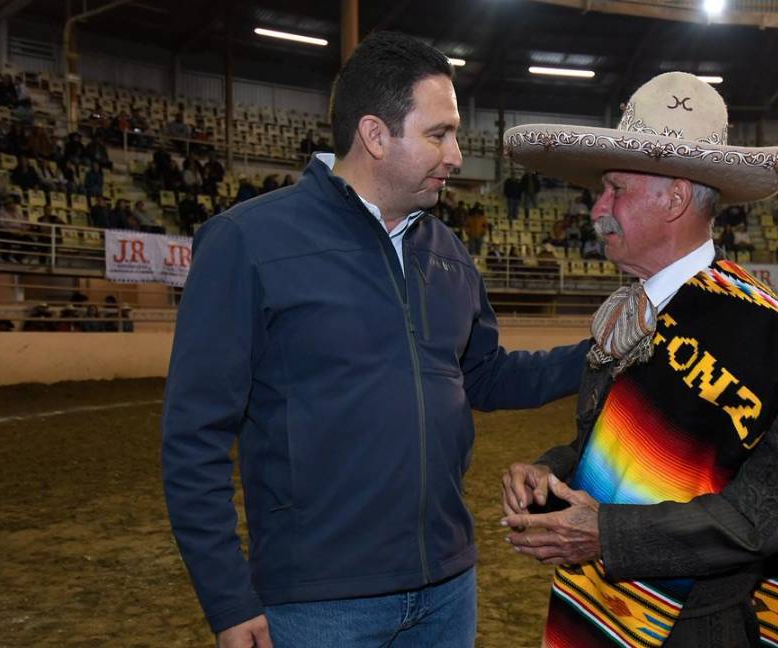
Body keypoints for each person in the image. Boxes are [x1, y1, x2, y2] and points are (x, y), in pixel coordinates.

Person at [161, 31, 590, 648]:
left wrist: (600, 352)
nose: (456, 155)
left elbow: (485, 376)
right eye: (439, 134)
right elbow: (192, 436)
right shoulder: (247, 242)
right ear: (375, 134)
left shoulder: (447, 253)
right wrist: (228, 599)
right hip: (318, 604)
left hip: (448, 587)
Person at [501, 72, 778, 647]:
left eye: (616, 190)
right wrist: (550, 472)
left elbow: (772, 512)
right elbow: (614, 447)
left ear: (675, 198)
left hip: (696, 626)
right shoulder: (630, 313)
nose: (597, 208)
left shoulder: (763, 332)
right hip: (606, 607)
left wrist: (608, 534)